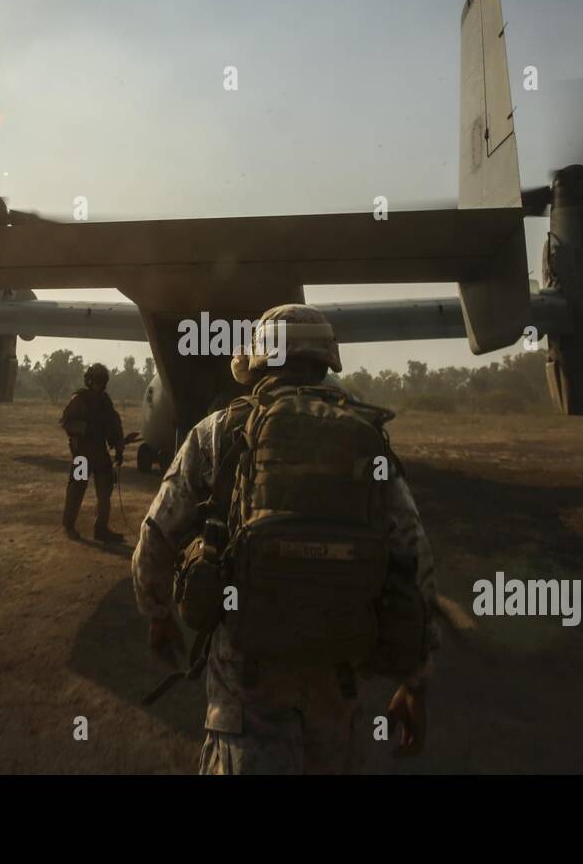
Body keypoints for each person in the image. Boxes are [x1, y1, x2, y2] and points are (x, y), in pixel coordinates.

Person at [131, 304, 440, 774]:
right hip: (337, 679)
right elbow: (415, 560)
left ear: (257, 361)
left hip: (245, 682)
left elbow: (155, 538)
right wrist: (415, 681)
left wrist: (158, 616)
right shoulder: (366, 436)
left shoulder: (217, 432)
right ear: (325, 361)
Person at [60, 362, 125, 543]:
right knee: (77, 490)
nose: (101, 385)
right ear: (90, 381)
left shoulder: (105, 402)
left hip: (100, 454)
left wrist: (119, 448)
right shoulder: (79, 400)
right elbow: (67, 422)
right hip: (83, 454)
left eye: (102, 382)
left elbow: (114, 426)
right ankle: (68, 526)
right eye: (98, 381)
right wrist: (86, 428)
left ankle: (101, 529)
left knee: (105, 493)